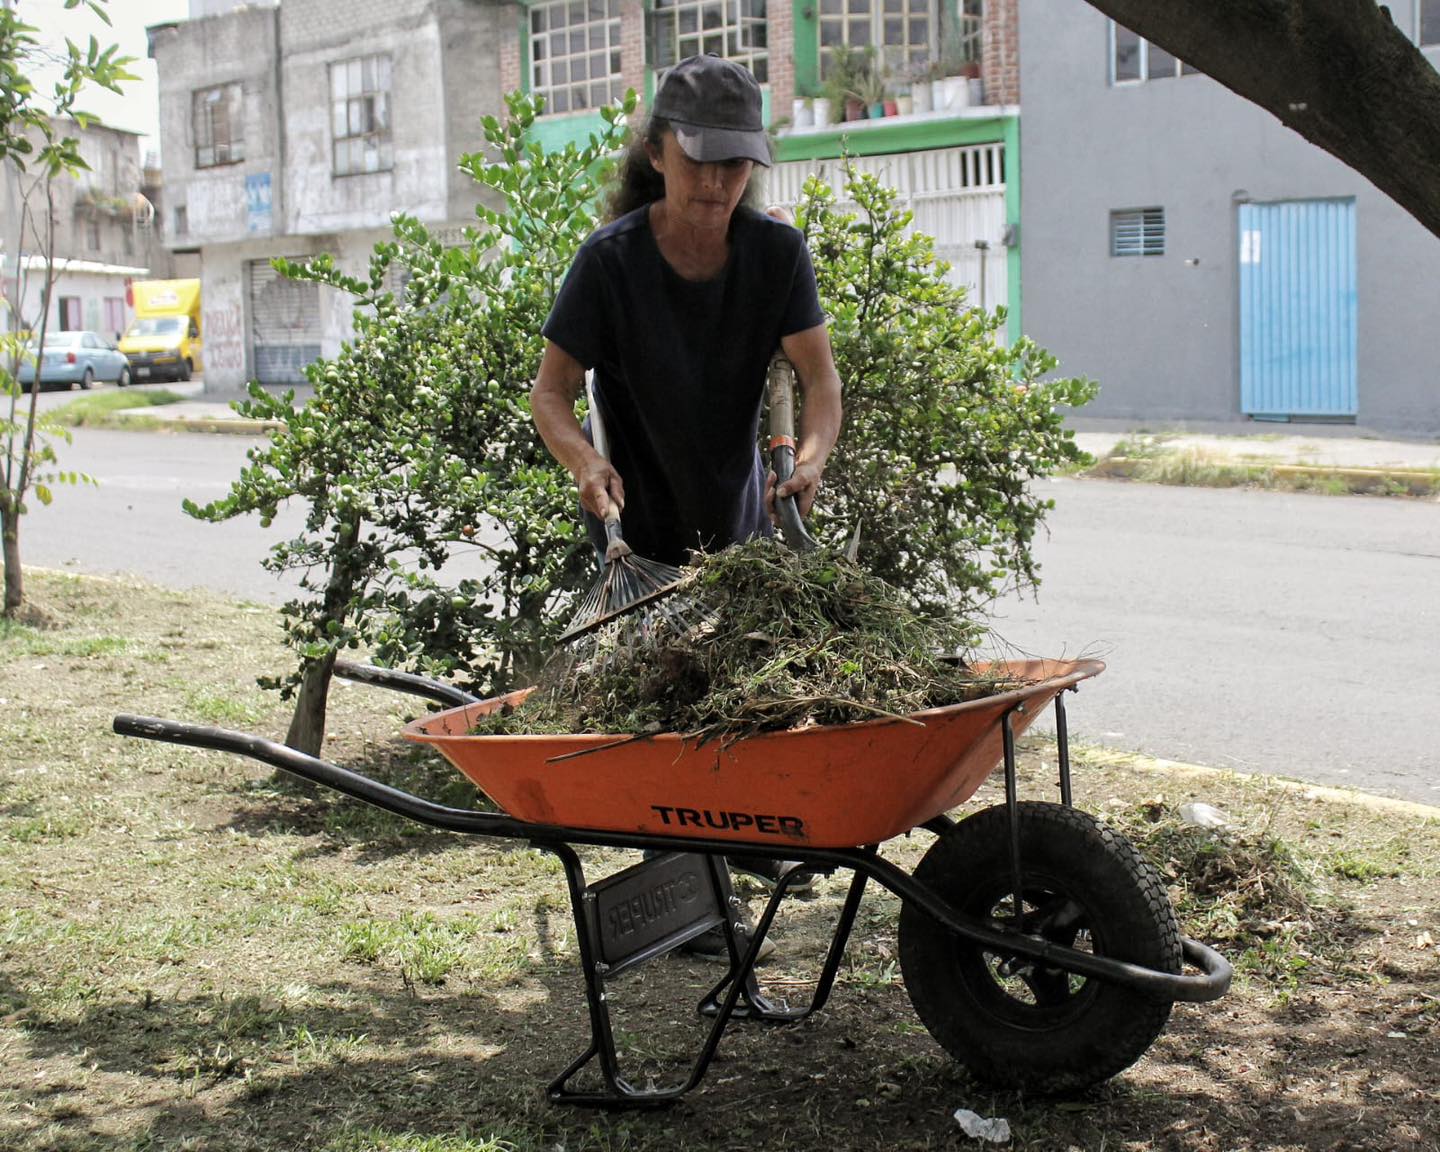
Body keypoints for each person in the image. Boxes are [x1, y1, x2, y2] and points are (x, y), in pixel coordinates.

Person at [530, 54, 843, 958]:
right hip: (639, 519)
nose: (716, 181)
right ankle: (690, 886)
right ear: (658, 152)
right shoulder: (610, 262)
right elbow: (552, 393)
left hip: (738, 512)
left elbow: (819, 381)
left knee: (742, 690)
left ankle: (736, 846)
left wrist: (813, 455)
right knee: (663, 700)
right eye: (698, 158)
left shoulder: (777, 255)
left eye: (735, 162)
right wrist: (583, 460)